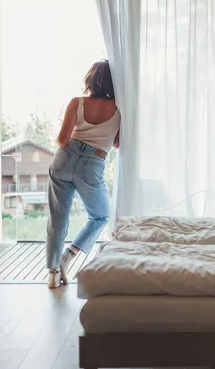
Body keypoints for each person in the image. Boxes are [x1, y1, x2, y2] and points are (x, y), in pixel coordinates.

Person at [46, 60, 120, 288]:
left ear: (90, 79)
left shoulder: (76, 102)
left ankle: (53, 272)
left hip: (64, 159)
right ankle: (68, 257)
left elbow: (61, 140)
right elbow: (117, 144)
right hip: (92, 163)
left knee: (58, 220)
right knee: (100, 217)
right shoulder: (120, 108)